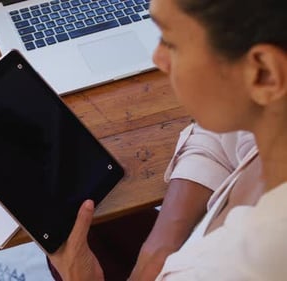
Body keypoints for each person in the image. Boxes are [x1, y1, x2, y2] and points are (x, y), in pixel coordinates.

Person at [47, 0, 287, 279]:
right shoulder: (273, 116)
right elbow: (221, 136)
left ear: (264, 73)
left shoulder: (233, 268)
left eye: (170, 42)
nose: (157, 58)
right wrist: (158, 248)